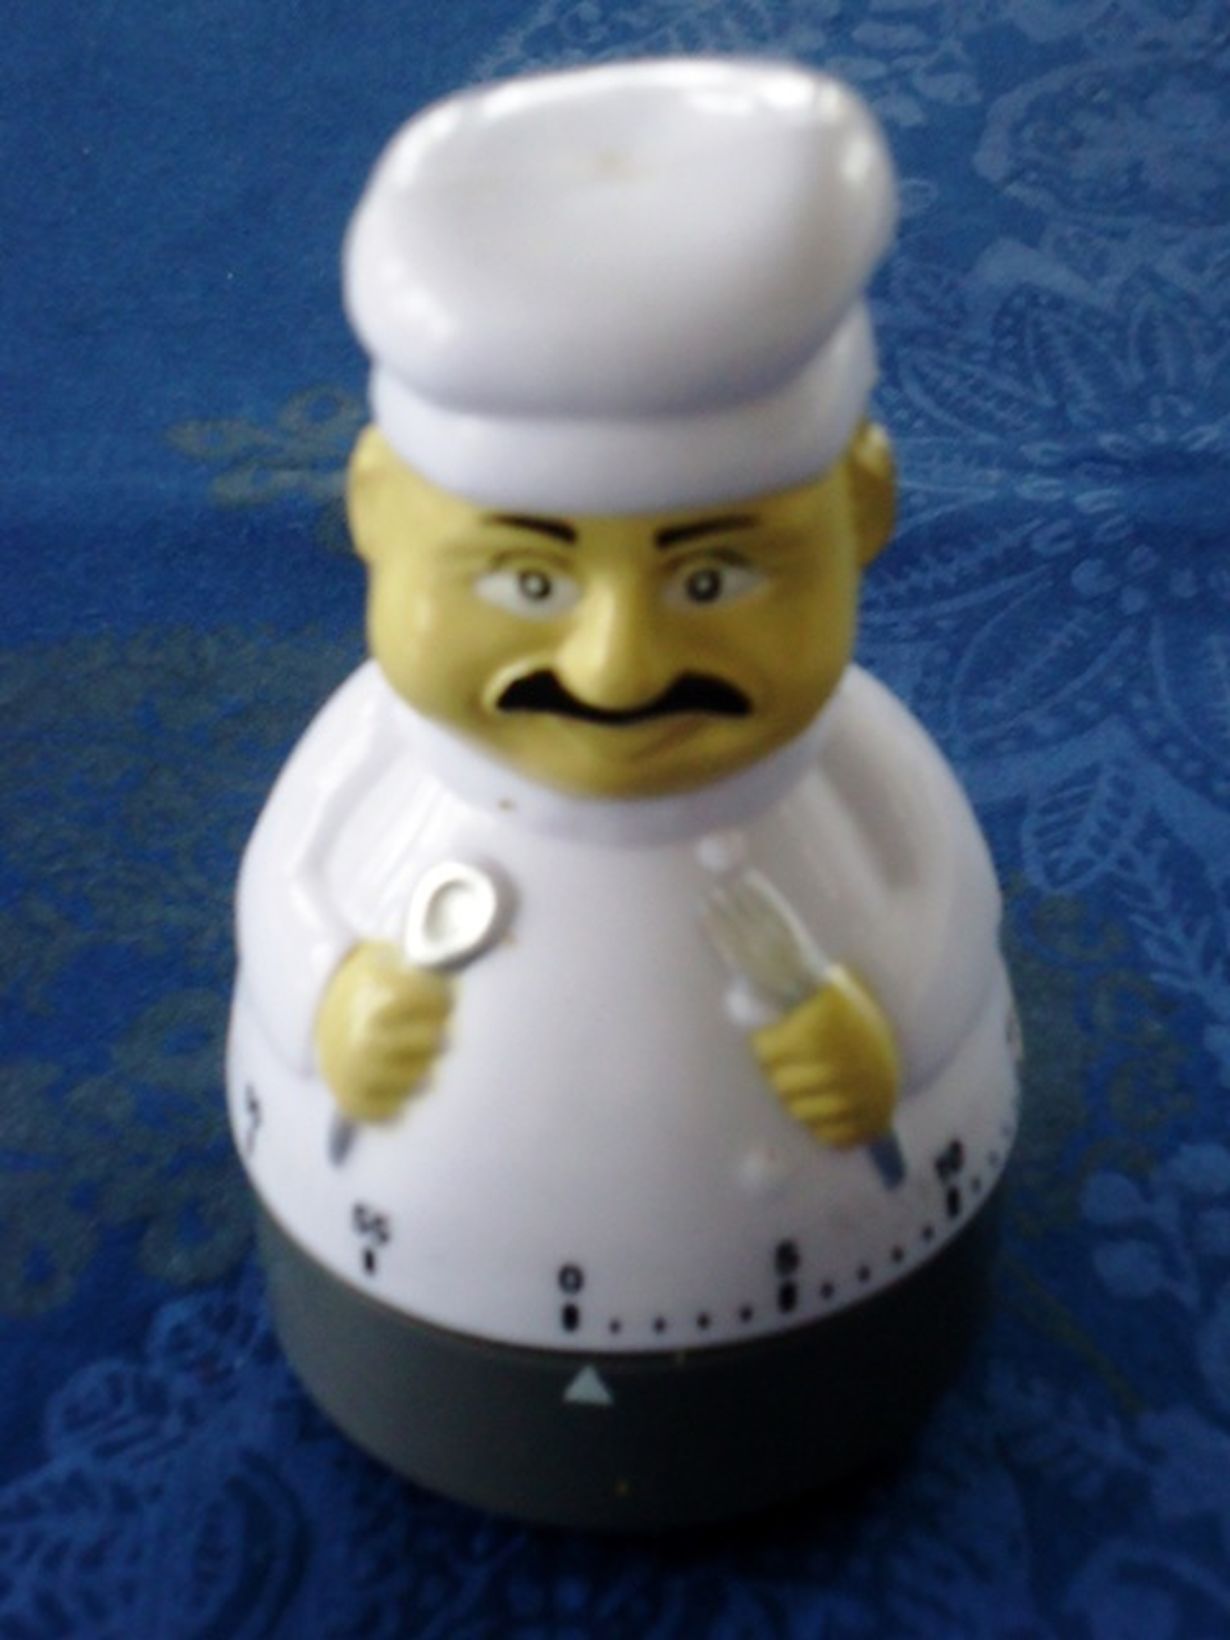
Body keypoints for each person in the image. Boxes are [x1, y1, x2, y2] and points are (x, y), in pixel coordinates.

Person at [229, 59, 1019, 1528]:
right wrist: (327, 989)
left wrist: (892, 1028)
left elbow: (944, 906)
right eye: (527, 581)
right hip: (394, 1246)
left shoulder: (850, 765)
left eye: (711, 578)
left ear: (859, 511)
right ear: (377, 514)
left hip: (843, 1264)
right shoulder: (378, 762)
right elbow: (285, 892)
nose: (615, 667)